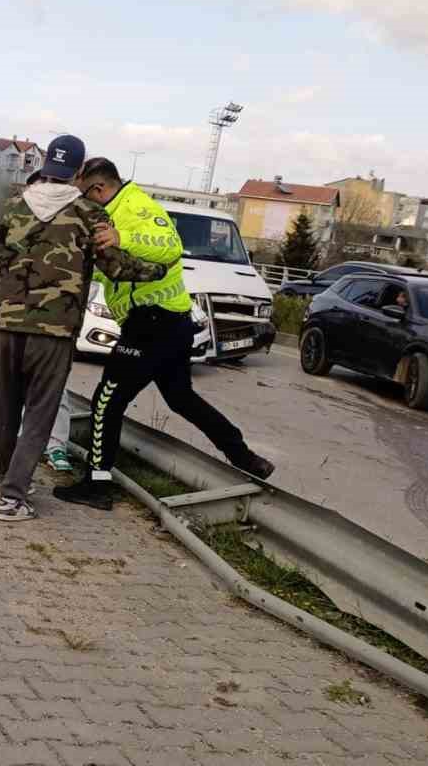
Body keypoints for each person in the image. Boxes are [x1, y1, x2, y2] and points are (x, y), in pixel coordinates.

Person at [56, 157, 275, 512]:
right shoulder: (116, 207)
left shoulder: (135, 207)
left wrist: (121, 235)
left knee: (106, 403)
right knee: (181, 398)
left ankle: (97, 484)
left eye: (85, 195)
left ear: (98, 188)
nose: (84, 203)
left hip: (152, 323)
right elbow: (115, 271)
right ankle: (244, 456)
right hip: (168, 324)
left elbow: (169, 246)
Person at [0, 136, 168, 522]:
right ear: (79, 172)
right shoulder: (89, 213)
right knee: (39, 413)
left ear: (47, 162)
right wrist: (158, 269)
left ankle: (5, 474)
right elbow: (115, 266)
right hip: (54, 330)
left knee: (5, 405)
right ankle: (13, 497)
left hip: (7, 325)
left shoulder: (12, 206)